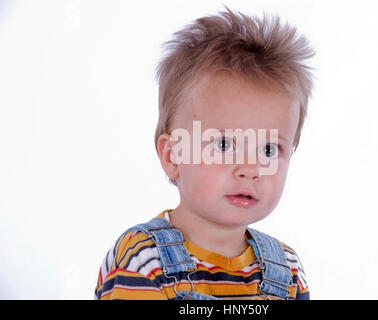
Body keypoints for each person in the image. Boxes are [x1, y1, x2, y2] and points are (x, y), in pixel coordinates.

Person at [94, 6, 314, 300]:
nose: (250, 168)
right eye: (224, 145)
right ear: (174, 156)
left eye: (269, 149)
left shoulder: (287, 272)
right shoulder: (145, 262)